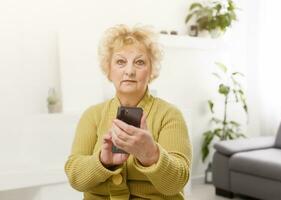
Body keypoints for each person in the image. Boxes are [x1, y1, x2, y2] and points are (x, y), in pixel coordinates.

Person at [65, 24, 192, 200]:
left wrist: (151, 154)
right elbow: (75, 178)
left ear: (152, 71)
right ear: (108, 70)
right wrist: (103, 161)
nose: (129, 71)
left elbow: (176, 183)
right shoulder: (92, 115)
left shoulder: (170, 115)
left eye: (139, 62)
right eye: (120, 62)